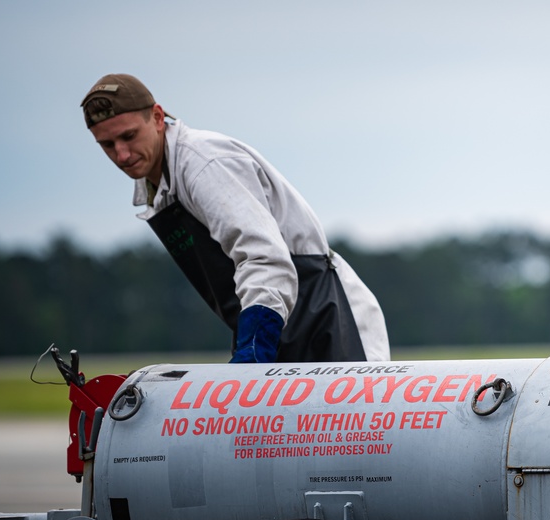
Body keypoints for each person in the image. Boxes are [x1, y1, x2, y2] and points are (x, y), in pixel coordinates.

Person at [81, 73, 390, 364]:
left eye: (129, 136)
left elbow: (264, 258)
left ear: (158, 117)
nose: (122, 154)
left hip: (325, 320)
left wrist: (254, 348)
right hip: (273, 325)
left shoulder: (204, 165)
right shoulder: (156, 184)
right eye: (107, 145)